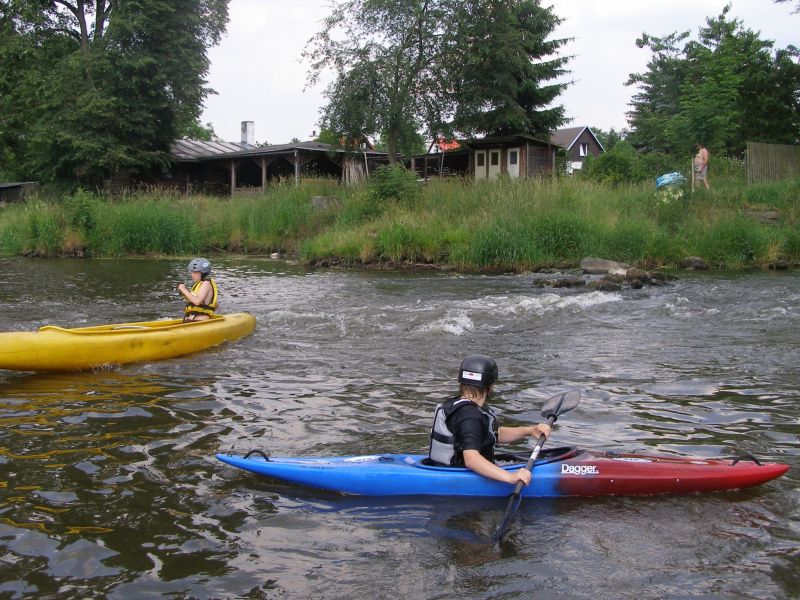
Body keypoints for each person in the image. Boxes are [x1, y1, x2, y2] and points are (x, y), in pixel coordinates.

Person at [429, 354, 551, 486]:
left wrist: (530, 431)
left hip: (448, 467)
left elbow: (495, 434)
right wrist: (510, 477)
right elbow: (471, 459)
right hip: (459, 475)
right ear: (490, 387)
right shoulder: (470, 416)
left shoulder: (461, 406)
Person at [177, 258, 219, 322]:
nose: (192, 275)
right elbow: (216, 305)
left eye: (195, 272)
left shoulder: (206, 283)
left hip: (200, 321)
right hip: (192, 320)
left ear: (203, 273)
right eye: (192, 272)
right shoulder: (199, 284)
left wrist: (184, 289)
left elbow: (197, 301)